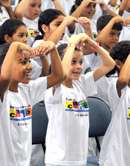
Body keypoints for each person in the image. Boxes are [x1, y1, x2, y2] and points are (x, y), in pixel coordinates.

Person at [0, 40, 64, 166]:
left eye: (29, 61)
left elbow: (58, 76)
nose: (29, 67)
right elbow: (5, 77)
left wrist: (53, 49)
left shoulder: (27, 89)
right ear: (3, 66)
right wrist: (15, 45)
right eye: (23, 62)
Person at [45, 33, 115, 165]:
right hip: (60, 160)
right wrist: (71, 44)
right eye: (73, 62)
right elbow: (61, 73)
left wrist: (93, 44)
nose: (79, 66)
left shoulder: (81, 83)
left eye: (81, 62)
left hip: (80, 157)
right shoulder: (54, 88)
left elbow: (109, 64)